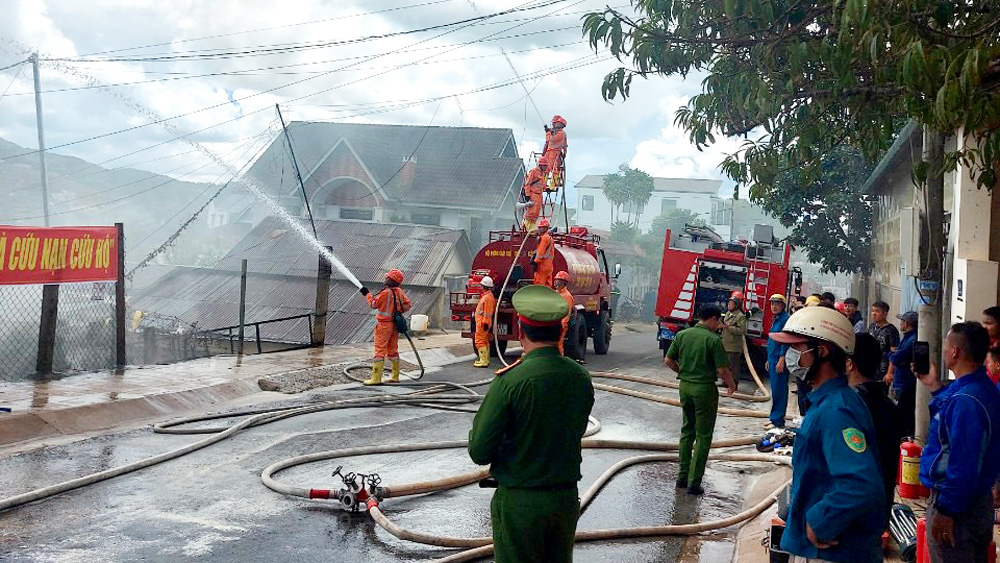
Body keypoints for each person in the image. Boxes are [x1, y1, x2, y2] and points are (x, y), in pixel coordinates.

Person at [468, 284, 595, 563]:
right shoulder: (580, 378)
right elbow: (577, 428)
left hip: (520, 502)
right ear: (562, 331)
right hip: (564, 500)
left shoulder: (510, 380)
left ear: (521, 332)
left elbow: (479, 451)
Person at [770, 306, 887, 563]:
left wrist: (820, 521)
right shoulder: (826, 403)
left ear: (821, 352)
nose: (791, 356)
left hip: (830, 551)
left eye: (798, 349)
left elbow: (860, 483)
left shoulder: (837, 411)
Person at [918, 321, 1000, 563]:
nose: (943, 351)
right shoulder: (978, 389)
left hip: (958, 509)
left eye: (945, 345)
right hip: (973, 501)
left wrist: (946, 510)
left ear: (955, 351)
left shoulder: (967, 400)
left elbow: (963, 462)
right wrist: (934, 386)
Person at [664, 305, 736, 495]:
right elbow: (722, 370)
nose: (718, 325)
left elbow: (668, 360)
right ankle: (694, 483)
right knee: (703, 436)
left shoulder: (682, 335)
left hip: (685, 387)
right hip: (704, 389)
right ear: (712, 319)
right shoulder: (713, 340)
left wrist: (683, 372)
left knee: (687, 431)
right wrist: (731, 385)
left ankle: (682, 476)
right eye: (718, 321)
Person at [848, 332, 902, 534]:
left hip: (853, 521)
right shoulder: (887, 405)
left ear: (849, 363)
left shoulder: (852, 408)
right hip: (878, 514)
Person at [360, 269, 412, 385]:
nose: (385, 279)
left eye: (386, 277)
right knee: (393, 350)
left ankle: (376, 378)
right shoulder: (399, 292)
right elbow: (408, 305)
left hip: (384, 326)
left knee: (380, 350)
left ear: (389, 280)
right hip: (395, 326)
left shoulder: (385, 293)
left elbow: (373, 304)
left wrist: (367, 294)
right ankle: (395, 376)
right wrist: (398, 311)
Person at [886, 311, 918, 437]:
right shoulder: (907, 337)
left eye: (902, 321)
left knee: (903, 414)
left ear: (907, 323)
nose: (900, 323)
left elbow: (896, 357)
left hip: (906, 383)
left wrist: (890, 354)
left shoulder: (912, 339)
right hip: (901, 381)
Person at [766, 294, 791, 428]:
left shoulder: (785, 320)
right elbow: (772, 340)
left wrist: (781, 359)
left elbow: (785, 341)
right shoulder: (776, 319)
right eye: (772, 304)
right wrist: (768, 359)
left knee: (779, 390)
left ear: (783, 305)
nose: (774, 306)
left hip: (779, 359)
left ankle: (778, 420)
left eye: (777, 304)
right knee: (775, 390)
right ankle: (774, 417)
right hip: (772, 357)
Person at [868, 300, 900, 383]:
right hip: (870, 367)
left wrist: (890, 372)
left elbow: (894, 353)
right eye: (872, 311)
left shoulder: (891, 330)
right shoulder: (871, 327)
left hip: (883, 368)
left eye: (877, 311)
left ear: (885, 314)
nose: (874, 314)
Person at [721, 291, 748, 382]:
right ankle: (725, 381)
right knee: (725, 365)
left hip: (734, 346)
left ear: (736, 305)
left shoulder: (740, 316)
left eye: (731, 304)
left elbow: (742, 330)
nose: (729, 305)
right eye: (728, 303)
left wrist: (728, 327)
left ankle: (734, 382)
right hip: (725, 344)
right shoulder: (728, 313)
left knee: (733, 366)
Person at [473, 276, 497, 368]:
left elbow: (487, 312)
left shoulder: (487, 298)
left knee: (480, 341)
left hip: (482, 323)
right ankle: (485, 360)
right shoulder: (488, 296)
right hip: (483, 323)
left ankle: (483, 361)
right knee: (484, 341)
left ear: (484, 286)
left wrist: (485, 323)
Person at [521, 158, 549, 232]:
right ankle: (527, 226)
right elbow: (527, 183)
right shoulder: (533, 172)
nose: (546, 167)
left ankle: (531, 226)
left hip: (539, 195)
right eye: (545, 166)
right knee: (531, 212)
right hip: (533, 194)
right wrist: (527, 195)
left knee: (536, 212)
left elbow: (541, 184)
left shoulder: (542, 173)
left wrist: (546, 188)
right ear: (541, 165)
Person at [554, 271, 575, 357]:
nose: (556, 282)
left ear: (564, 283)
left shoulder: (567, 296)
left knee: (558, 344)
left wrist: (562, 325)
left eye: (558, 280)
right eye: (556, 280)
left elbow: (567, 312)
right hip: (555, 323)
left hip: (561, 324)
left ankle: (560, 359)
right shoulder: (556, 293)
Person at [543, 115, 567, 187]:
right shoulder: (555, 132)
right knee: (546, 168)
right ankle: (544, 184)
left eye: (554, 123)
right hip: (549, 152)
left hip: (554, 153)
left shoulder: (561, 133)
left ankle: (553, 185)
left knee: (554, 169)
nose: (553, 125)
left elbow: (551, 140)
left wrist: (548, 133)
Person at [532, 219, 554, 287]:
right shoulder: (550, 238)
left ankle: (539, 297)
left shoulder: (544, 238)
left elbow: (540, 253)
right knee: (547, 285)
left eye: (540, 227)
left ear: (545, 228)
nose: (539, 229)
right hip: (549, 265)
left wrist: (535, 262)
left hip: (542, 265)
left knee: (539, 284)